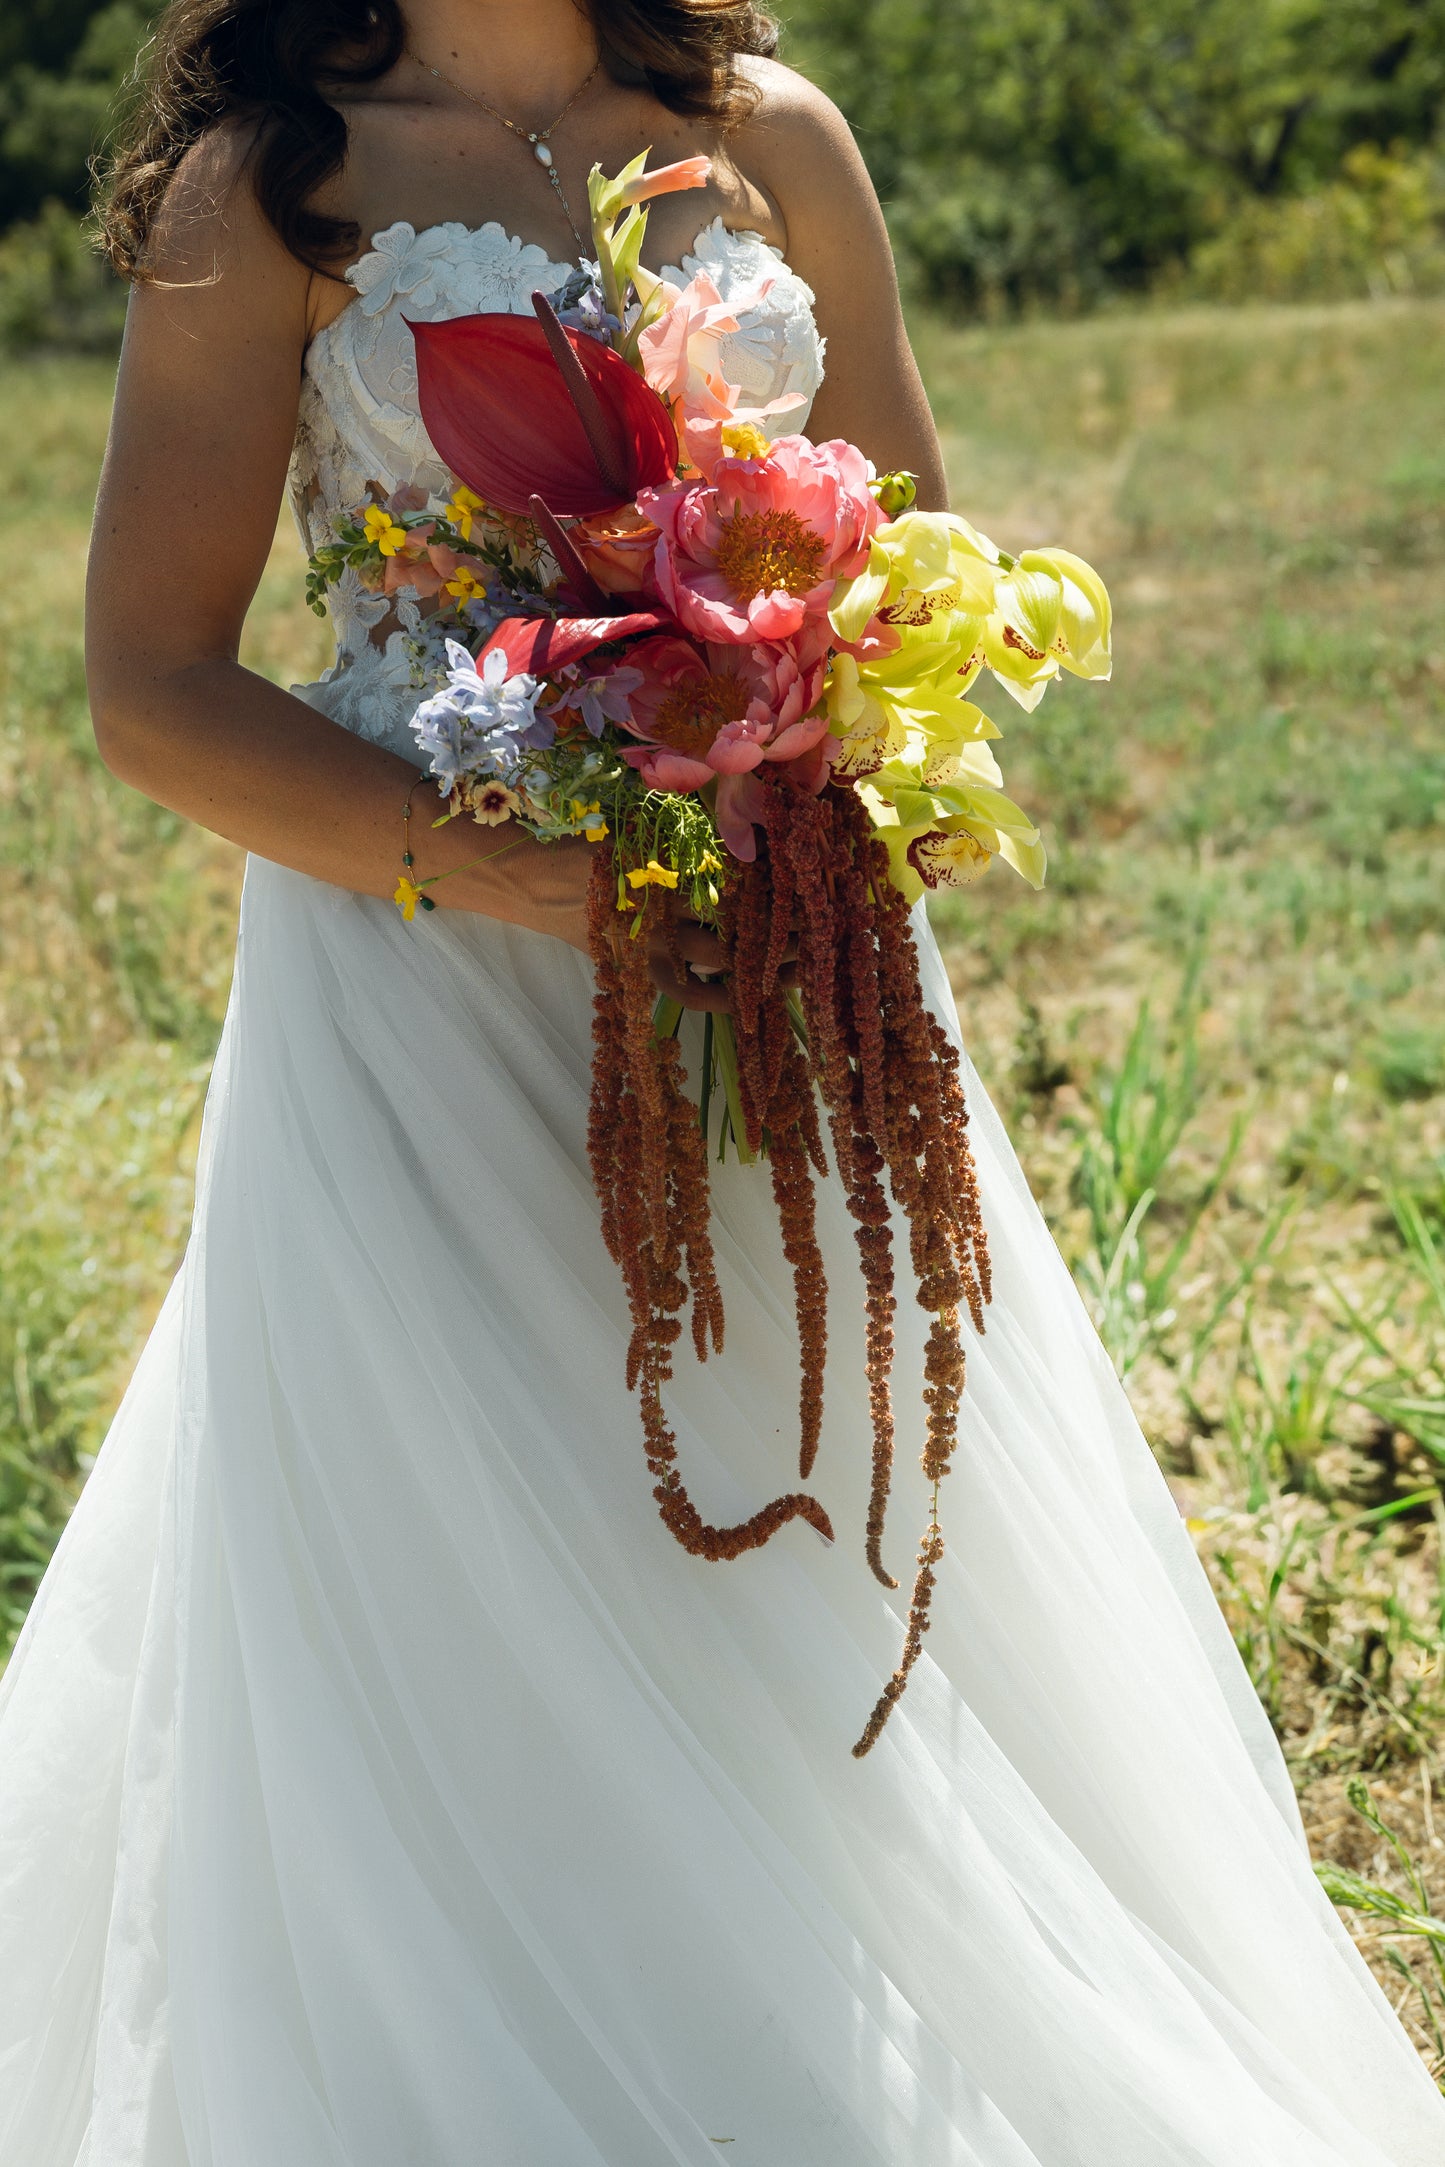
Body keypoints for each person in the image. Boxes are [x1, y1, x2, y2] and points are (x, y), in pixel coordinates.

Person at [3, 2, 1443, 2160]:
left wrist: (802, 747)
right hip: (419, 987)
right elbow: (151, 683)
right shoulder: (271, 183)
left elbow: (914, 556)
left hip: (760, 952)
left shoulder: (765, 133)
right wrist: (521, 877)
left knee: (800, 1527)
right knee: (465, 1564)